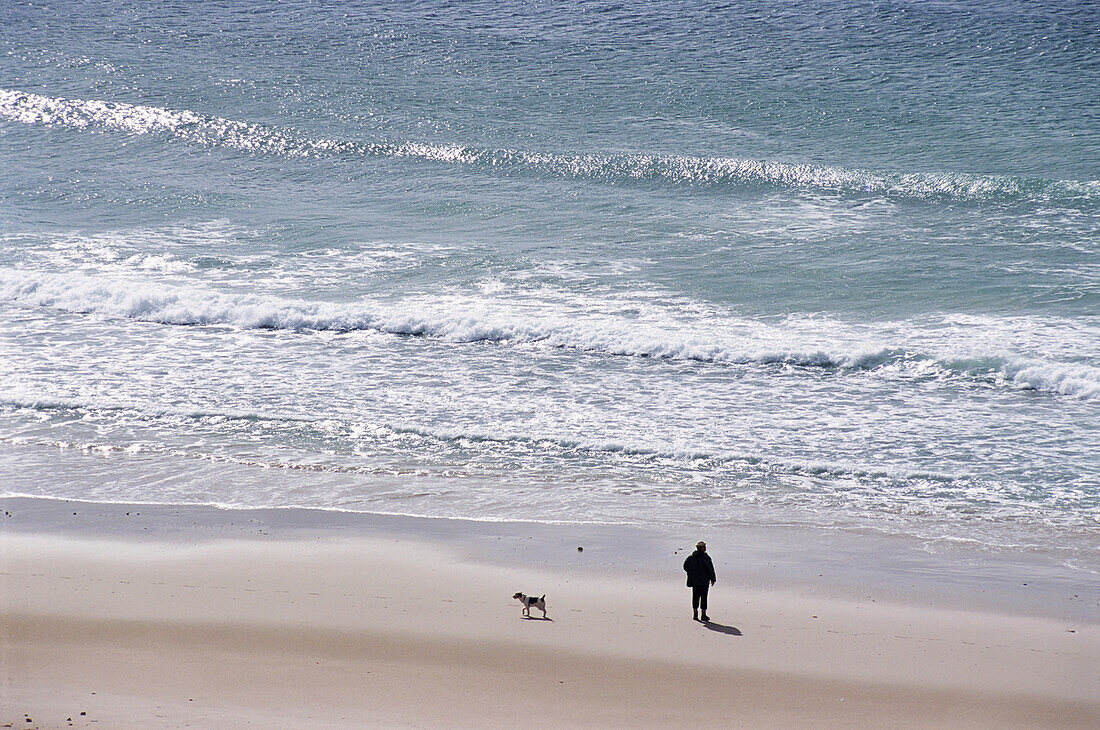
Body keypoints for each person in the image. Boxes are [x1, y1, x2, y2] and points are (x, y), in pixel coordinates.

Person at [683, 540, 716, 621]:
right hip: (704, 581)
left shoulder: (691, 557)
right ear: (701, 548)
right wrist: (713, 579)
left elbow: (685, 567)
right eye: (704, 546)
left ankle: (695, 614)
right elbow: (710, 569)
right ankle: (703, 615)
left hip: (695, 581)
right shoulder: (706, 558)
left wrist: (691, 573)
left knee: (695, 597)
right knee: (704, 598)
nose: (705, 548)